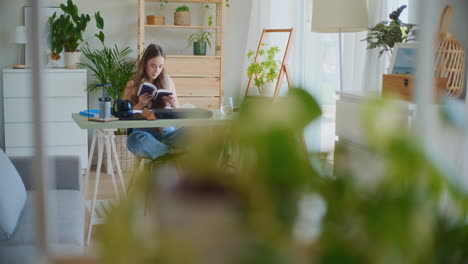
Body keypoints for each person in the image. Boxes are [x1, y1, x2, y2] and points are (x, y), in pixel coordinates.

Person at [123, 44, 185, 159]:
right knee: (133, 140)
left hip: (167, 132)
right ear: (145, 63)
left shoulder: (168, 81)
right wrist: (140, 104)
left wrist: (173, 104)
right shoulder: (132, 84)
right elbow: (124, 115)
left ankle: (160, 151)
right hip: (144, 133)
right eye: (153, 66)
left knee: (196, 130)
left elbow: (178, 111)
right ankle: (170, 152)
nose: (157, 70)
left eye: (161, 66)